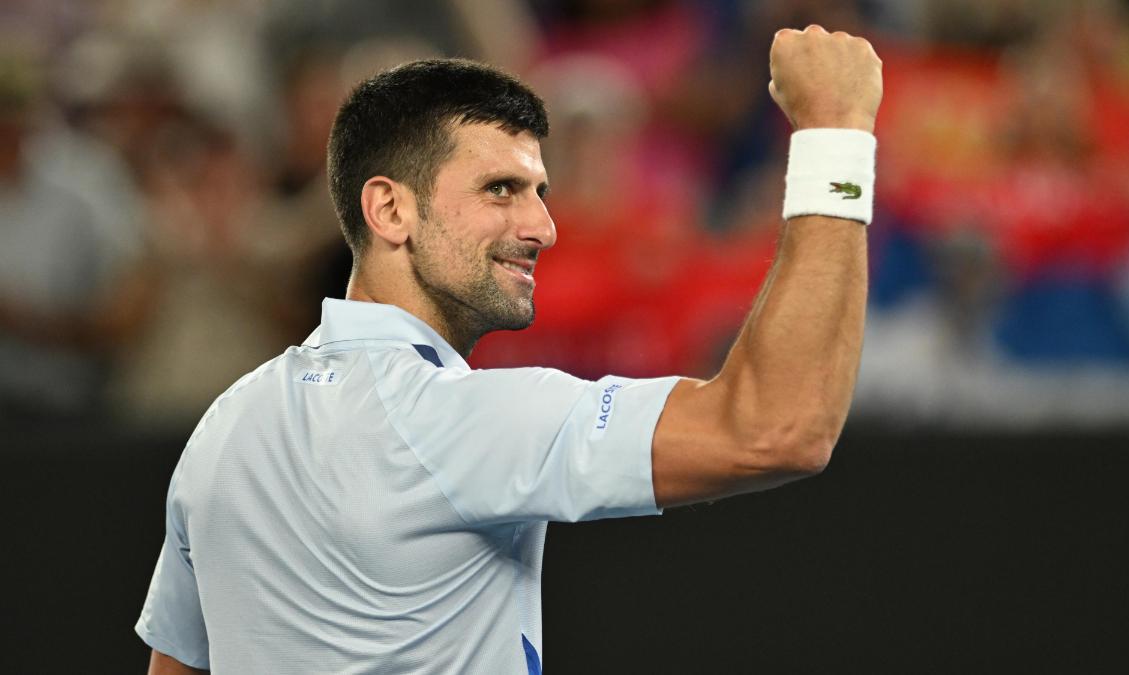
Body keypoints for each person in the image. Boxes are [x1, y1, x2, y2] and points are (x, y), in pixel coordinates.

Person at [135, 25, 882, 674]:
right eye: (501, 189)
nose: (543, 227)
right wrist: (836, 135)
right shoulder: (460, 421)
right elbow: (778, 425)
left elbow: (174, 666)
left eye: (539, 191)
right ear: (390, 207)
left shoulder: (224, 427)